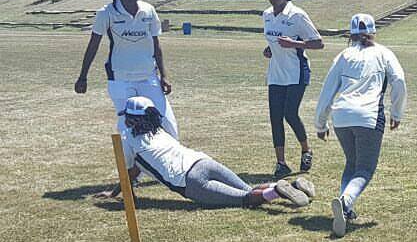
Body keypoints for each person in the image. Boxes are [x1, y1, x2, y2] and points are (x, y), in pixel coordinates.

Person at [96, 96, 315, 209]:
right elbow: (137, 168)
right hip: (202, 160)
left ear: (130, 118)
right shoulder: (160, 130)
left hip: (190, 181)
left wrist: (116, 194)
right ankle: (293, 186)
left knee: (246, 199)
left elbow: (129, 173)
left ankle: (277, 190)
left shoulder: (128, 139)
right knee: (247, 190)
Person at [314, 13, 407, 237]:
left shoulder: (343, 55)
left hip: (341, 116)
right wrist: (396, 112)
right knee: (365, 168)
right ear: (373, 32)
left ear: (351, 34)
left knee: (352, 162)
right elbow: (399, 80)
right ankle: (345, 202)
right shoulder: (384, 53)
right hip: (368, 116)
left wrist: (320, 124)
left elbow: (327, 91)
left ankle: (345, 208)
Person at [75, 0, 178, 138]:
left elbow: (156, 44)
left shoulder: (148, 10)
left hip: (148, 77)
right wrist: (83, 77)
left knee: (168, 124)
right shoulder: (106, 13)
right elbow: (93, 45)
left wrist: (164, 75)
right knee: (129, 129)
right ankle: (130, 156)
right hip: (121, 80)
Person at [260, 0, 324, 178]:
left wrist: (294, 44)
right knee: (275, 117)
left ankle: (306, 150)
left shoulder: (297, 15)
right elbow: (273, 39)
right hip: (276, 74)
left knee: (290, 113)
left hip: (297, 73)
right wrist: (270, 49)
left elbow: (318, 43)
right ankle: (281, 163)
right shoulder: (266, 15)